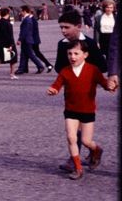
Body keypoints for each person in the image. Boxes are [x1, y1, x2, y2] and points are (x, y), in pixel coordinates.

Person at [47, 39, 115, 179]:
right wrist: (53, 90)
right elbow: (57, 84)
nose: (72, 57)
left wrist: (110, 86)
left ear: (85, 54)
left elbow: (104, 83)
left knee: (86, 141)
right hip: (70, 110)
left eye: (76, 53)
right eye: (69, 54)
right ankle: (78, 169)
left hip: (88, 111)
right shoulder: (65, 71)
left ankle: (96, 150)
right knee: (71, 138)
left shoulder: (93, 70)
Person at [53, 8, 114, 89]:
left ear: (78, 26)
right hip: (70, 84)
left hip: (88, 84)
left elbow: (102, 66)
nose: (63, 31)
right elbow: (58, 66)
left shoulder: (90, 43)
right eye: (61, 27)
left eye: (67, 27)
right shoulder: (62, 44)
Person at [17, 5, 47, 75]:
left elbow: (25, 31)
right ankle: (21, 68)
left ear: (24, 11)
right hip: (28, 39)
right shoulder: (27, 19)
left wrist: (20, 39)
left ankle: (40, 66)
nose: (20, 13)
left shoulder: (27, 19)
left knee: (30, 54)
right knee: (23, 54)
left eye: (21, 11)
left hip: (26, 40)